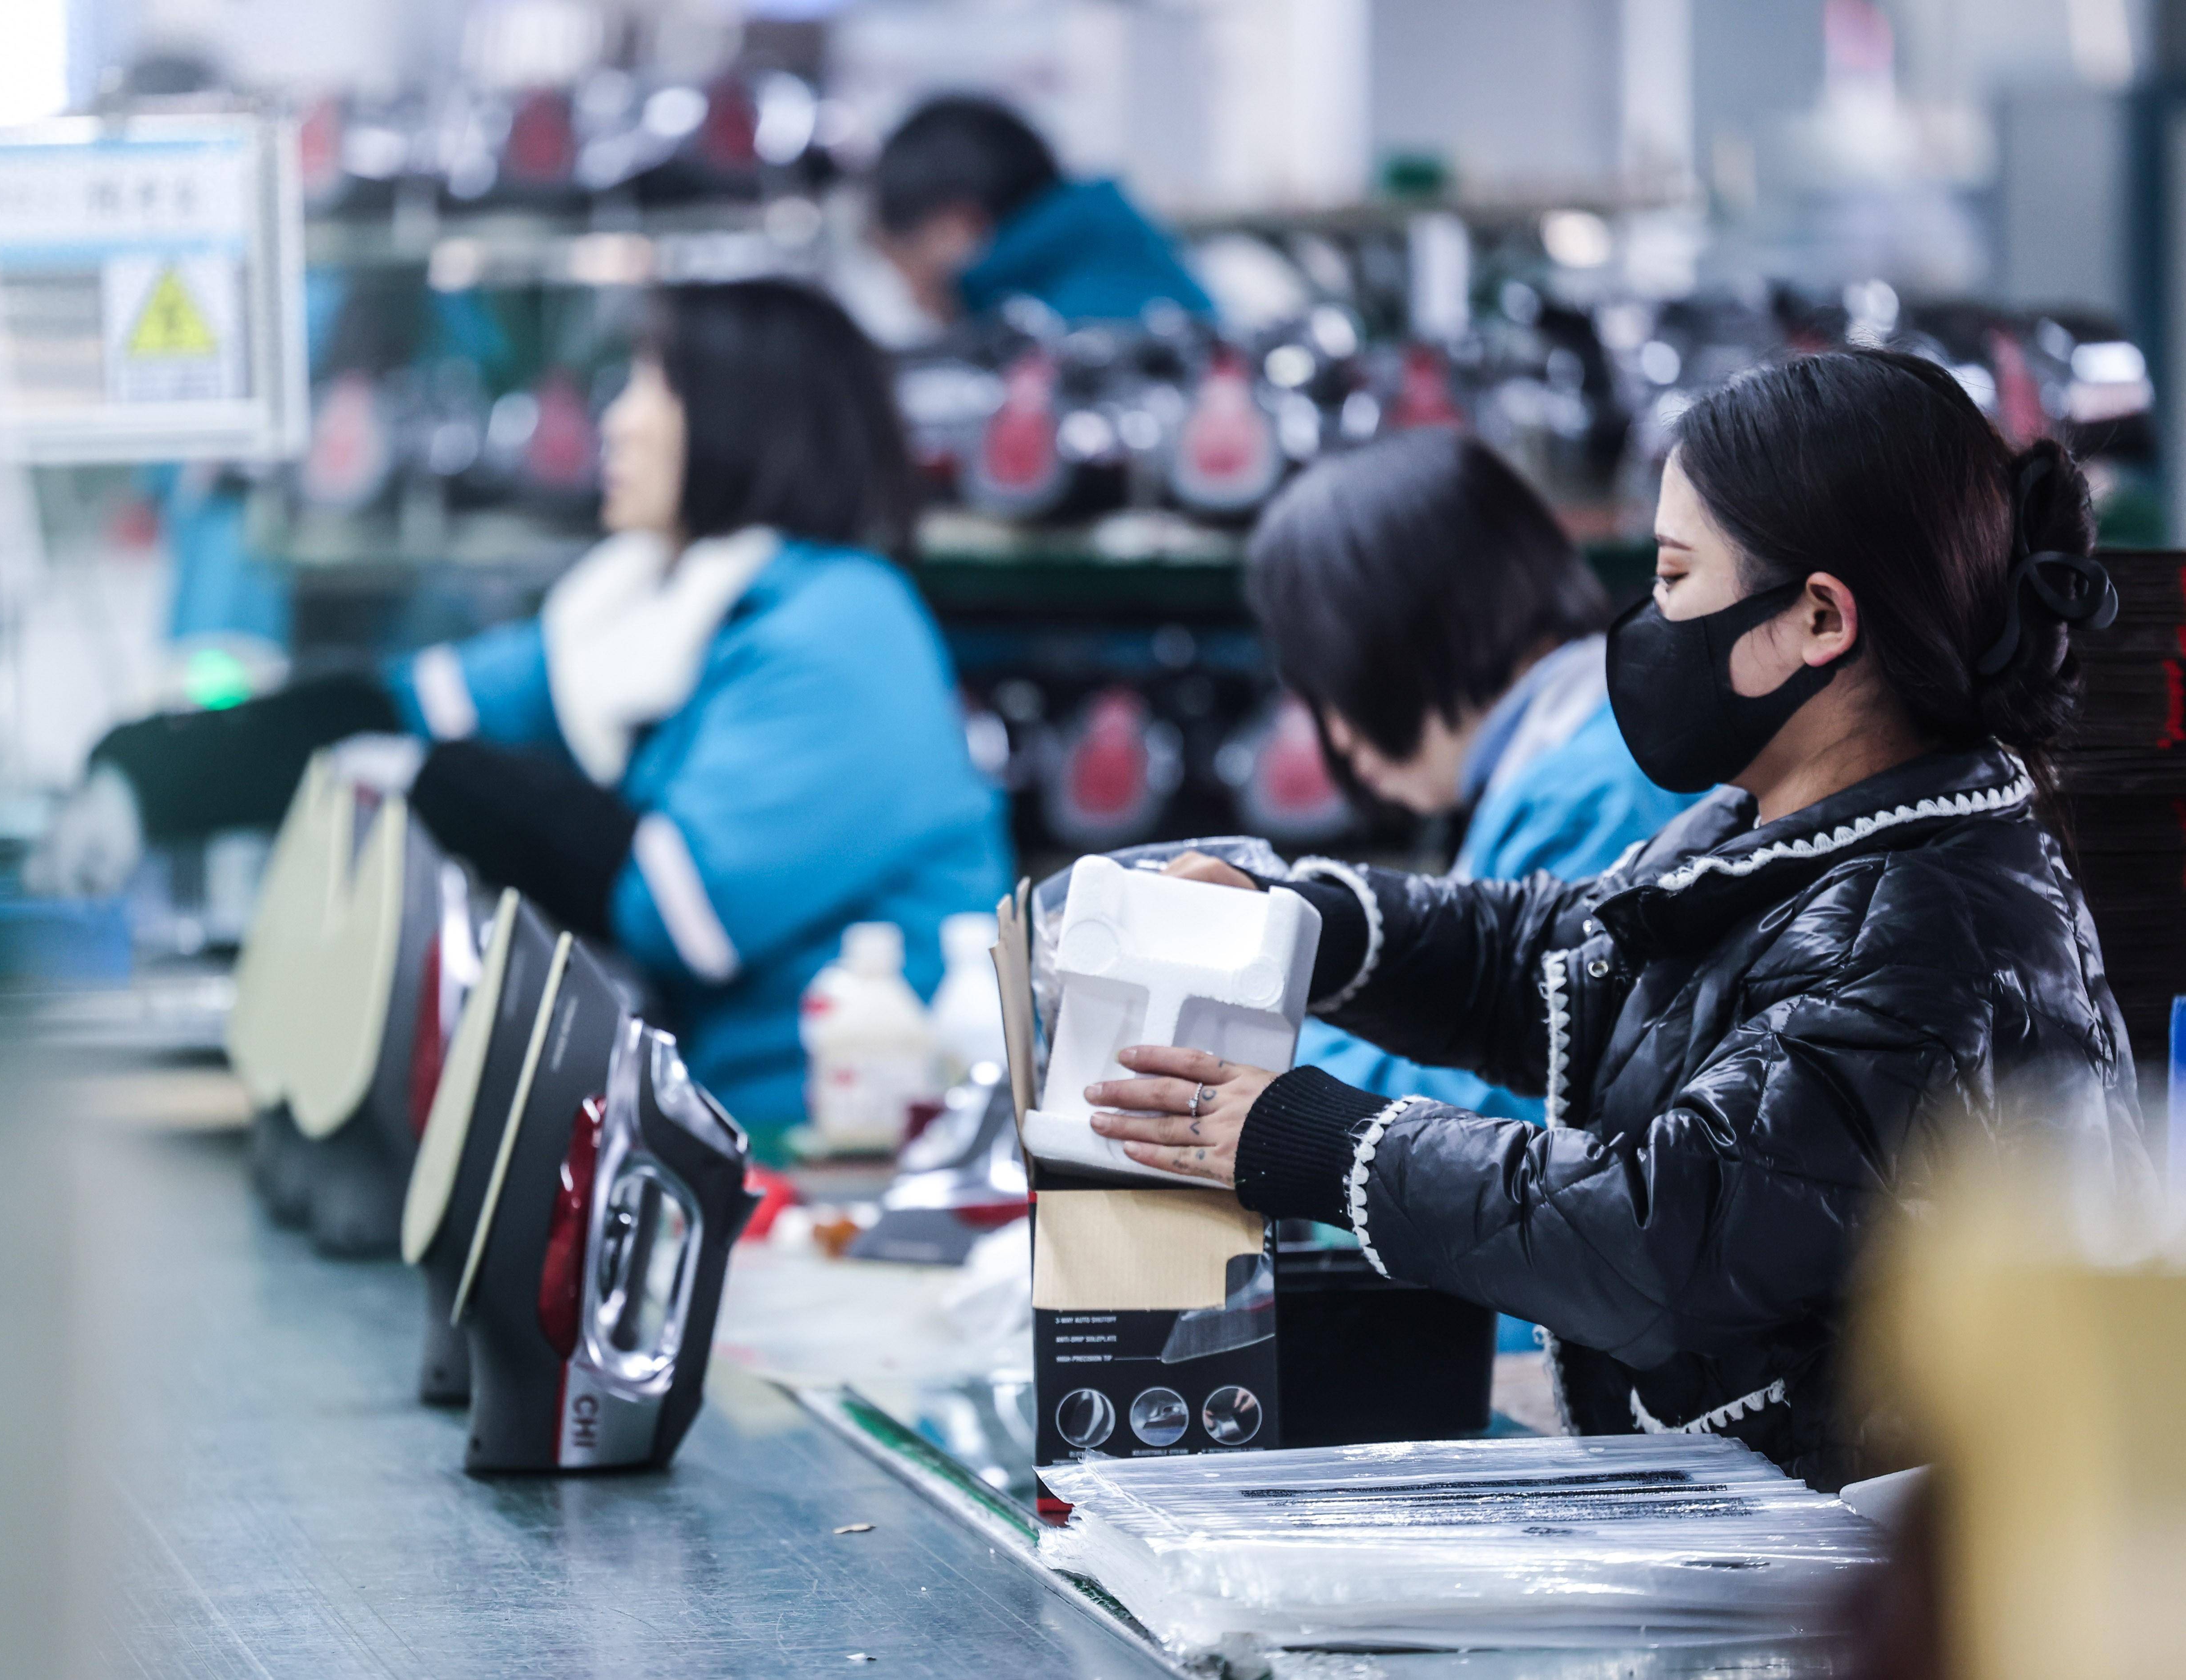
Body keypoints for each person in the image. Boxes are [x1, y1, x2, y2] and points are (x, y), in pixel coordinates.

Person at [1082, 349, 2144, 1488]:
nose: (1648, 619)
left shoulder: (1931, 923)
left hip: (1888, 1553)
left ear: (1817, 618)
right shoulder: (1765, 832)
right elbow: (1541, 963)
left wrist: (1319, 1142)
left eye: (1676, 576)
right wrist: (1301, 925)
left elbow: (1660, 1232)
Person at [34, 281, 1012, 1147]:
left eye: (652, 387)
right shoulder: (647, 608)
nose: (616, 423)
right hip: (723, 1130)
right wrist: (143, 776)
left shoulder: (841, 626)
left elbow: (680, 908)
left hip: (847, 1149)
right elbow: (393, 704)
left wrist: (434, 782)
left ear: (748, 417)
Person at [1245, 431, 1699, 1126]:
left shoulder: (1594, 794)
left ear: (1398, 637)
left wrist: (1255, 1059)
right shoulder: (1599, 742)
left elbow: (1520, 1096)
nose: (1336, 737)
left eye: (1330, 685)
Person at [870, 95, 1211, 328]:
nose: (914, 300)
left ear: (956, 228)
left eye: (904, 266)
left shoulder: (1069, 341)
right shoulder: (1128, 271)